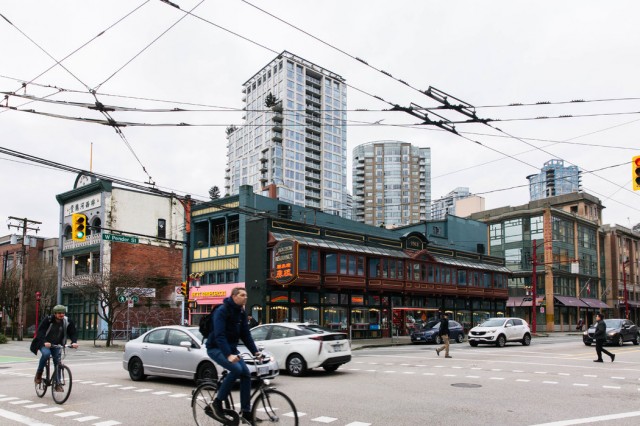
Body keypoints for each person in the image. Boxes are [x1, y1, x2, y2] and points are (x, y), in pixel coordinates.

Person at [206, 287, 261, 425]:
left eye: (246, 295)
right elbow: (219, 335)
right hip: (216, 348)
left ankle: (246, 412)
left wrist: (255, 351)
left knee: (246, 374)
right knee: (236, 369)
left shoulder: (241, 312)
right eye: (242, 295)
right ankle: (217, 403)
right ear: (234, 296)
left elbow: (245, 334)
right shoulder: (222, 311)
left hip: (231, 349)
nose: (245, 297)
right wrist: (229, 355)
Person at [31, 305, 78, 391]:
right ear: (55, 313)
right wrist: (45, 342)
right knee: (46, 354)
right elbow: (40, 332)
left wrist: (74, 342)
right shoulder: (48, 320)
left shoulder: (67, 321)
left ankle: (57, 383)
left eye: (63, 313)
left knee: (58, 362)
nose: (61, 315)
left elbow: (73, 332)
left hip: (57, 344)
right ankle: (39, 373)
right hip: (43, 343)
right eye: (59, 313)